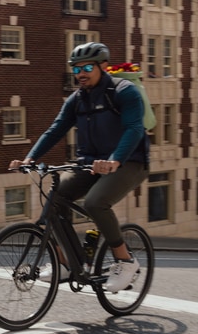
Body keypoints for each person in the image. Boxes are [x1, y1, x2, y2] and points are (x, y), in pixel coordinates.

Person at [9, 42, 149, 293]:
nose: (80, 73)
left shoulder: (124, 91)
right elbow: (56, 129)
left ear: (103, 66)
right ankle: (66, 262)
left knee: (95, 202)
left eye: (86, 67)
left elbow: (134, 129)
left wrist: (115, 159)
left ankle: (125, 260)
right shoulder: (77, 99)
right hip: (89, 162)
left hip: (129, 162)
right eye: (76, 68)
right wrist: (30, 158)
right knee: (54, 201)